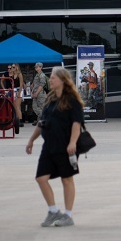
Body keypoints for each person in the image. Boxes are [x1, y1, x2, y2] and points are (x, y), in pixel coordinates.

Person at [25, 66, 84, 228]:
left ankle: (68, 215)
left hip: (66, 146)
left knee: (66, 179)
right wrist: (31, 140)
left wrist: (72, 142)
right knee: (41, 178)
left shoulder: (72, 100)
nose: (50, 80)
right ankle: (53, 211)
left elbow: (76, 124)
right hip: (49, 146)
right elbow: (42, 122)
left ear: (63, 80)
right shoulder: (50, 99)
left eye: (53, 78)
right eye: (50, 78)